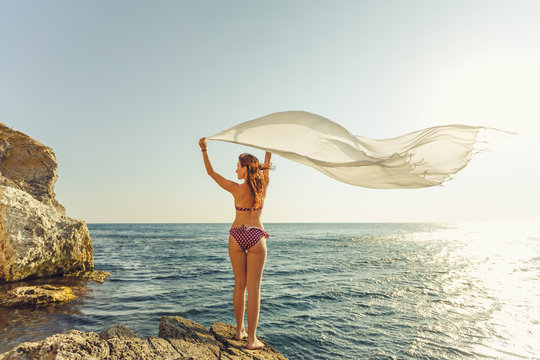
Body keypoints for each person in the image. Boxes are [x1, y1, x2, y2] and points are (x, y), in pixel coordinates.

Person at [199, 137, 273, 350]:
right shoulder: (263, 185)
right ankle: (252, 339)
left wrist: (204, 149)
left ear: (245, 169)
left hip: (236, 236)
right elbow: (266, 161)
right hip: (256, 236)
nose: (235, 170)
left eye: (237, 167)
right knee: (254, 288)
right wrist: (270, 146)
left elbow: (211, 173)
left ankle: (240, 330)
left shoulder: (235, 188)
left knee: (239, 285)